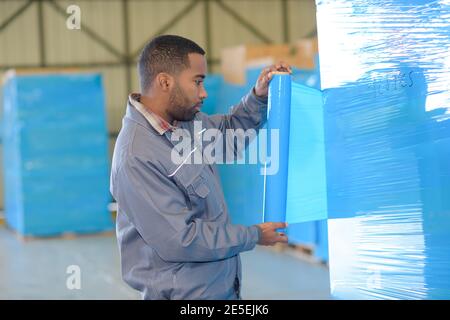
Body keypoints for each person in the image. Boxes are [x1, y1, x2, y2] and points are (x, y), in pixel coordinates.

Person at [110, 34, 290, 300]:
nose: (204, 92)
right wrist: (253, 235)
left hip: (218, 288)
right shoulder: (136, 156)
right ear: (165, 81)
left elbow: (230, 133)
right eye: (197, 81)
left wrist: (259, 97)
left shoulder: (184, 125)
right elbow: (181, 240)